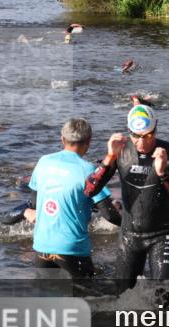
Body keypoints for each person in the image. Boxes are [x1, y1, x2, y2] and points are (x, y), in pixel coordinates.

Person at [85, 102, 169, 290]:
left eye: (147, 136)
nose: (141, 142)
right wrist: (109, 157)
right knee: (122, 299)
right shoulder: (121, 150)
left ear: (156, 128)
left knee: (163, 300)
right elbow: (89, 191)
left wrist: (162, 174)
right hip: (129, 237)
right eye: (136, 136)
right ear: (129, 131)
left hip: (161, 235)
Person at [27, 118, 120, 278]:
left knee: (47, 298)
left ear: (62, 139)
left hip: (42, 247)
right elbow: (110, 215)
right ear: (89, 142)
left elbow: (35, 203)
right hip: (72, 251)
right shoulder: (89, 171)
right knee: (89, 299)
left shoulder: (43, 162)